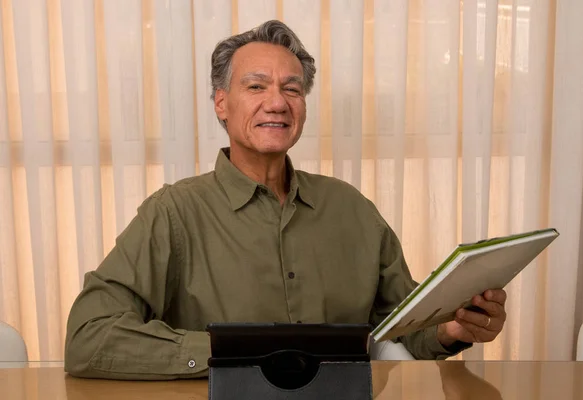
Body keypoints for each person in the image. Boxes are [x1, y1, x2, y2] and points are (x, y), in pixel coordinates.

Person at [64, 20, 507, 380]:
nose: (277, 102)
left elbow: (401, 329)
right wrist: (230, 354)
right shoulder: (172, 213)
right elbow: (90, 337)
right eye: (256, 87)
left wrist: (452, 329)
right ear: (222, 103)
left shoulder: (351, 209)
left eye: (292, 89)